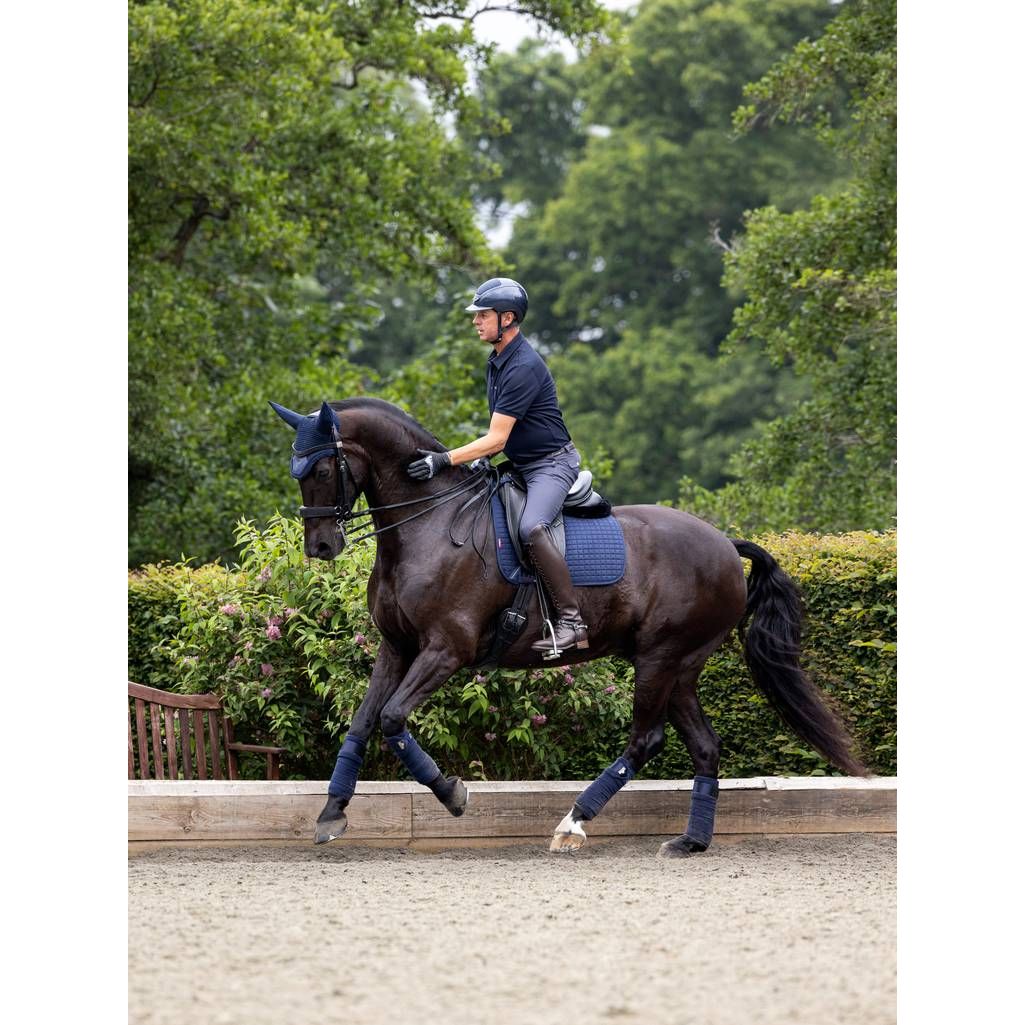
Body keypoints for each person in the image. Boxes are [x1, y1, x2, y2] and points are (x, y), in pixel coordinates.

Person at [407, 277, 588, 654]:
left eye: (483, 315)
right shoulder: (498, 360)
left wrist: (443, 460)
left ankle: (572, 622)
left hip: (551, 465)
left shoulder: (522, 365)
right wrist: (481, 460)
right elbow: (503, 432)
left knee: (533, 528)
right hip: (521, 464)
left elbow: (497, 437)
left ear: (508, 318)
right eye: (477, 316)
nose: (476, 321)